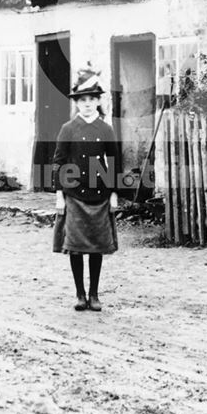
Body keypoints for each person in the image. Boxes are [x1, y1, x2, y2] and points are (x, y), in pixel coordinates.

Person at [52, 66, 120, 311]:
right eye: (83, 100)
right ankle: (80, 294)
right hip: (74, 195)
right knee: (77, 247)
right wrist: (60, 195)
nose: (88, 104)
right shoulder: (68, 129)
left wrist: (113, 194)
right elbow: (58, 163)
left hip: (99, 196)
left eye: (92, 99)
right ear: (77, 103)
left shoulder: (106, 130)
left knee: (96, 246)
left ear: (98, 101)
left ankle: (94, 294)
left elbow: (113, 164)